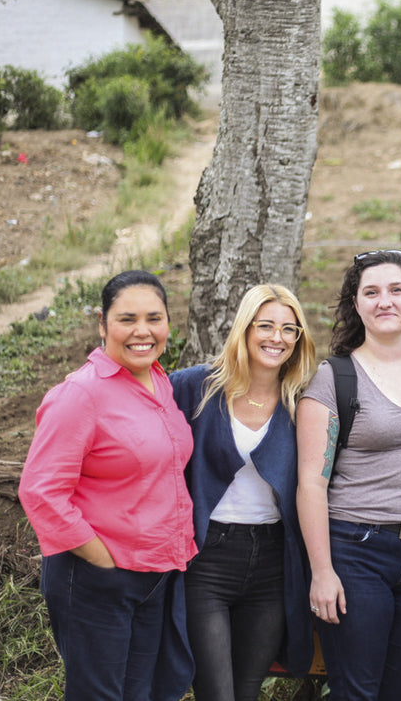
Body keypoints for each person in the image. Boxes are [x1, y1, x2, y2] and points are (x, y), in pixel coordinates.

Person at [296, 249, 401, 700]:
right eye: (370, 292)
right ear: (357, 305)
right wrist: (322, 571)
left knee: (398, 689)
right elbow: (311, 482)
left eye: (396, 289)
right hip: (356, 552)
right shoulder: (335, 379)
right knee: (357, 690)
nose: (384, 300)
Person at [19, 270, 197, 701]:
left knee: (141, 692)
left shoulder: (160, 383)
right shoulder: (80, 395)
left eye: (154, 318)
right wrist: (101, 558)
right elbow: (40, 490)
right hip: (98, 575)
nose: (142, 331)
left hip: (154, 572)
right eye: (127, 319)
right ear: (103, 324)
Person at [170, 284, 318, 700]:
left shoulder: (301, 401)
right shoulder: (196, 387)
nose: (277, 337)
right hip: (209, 558)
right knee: (217, 692)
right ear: (244, 329)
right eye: (266, 325)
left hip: (272, 560)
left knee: (248, 688)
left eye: (290, 329)